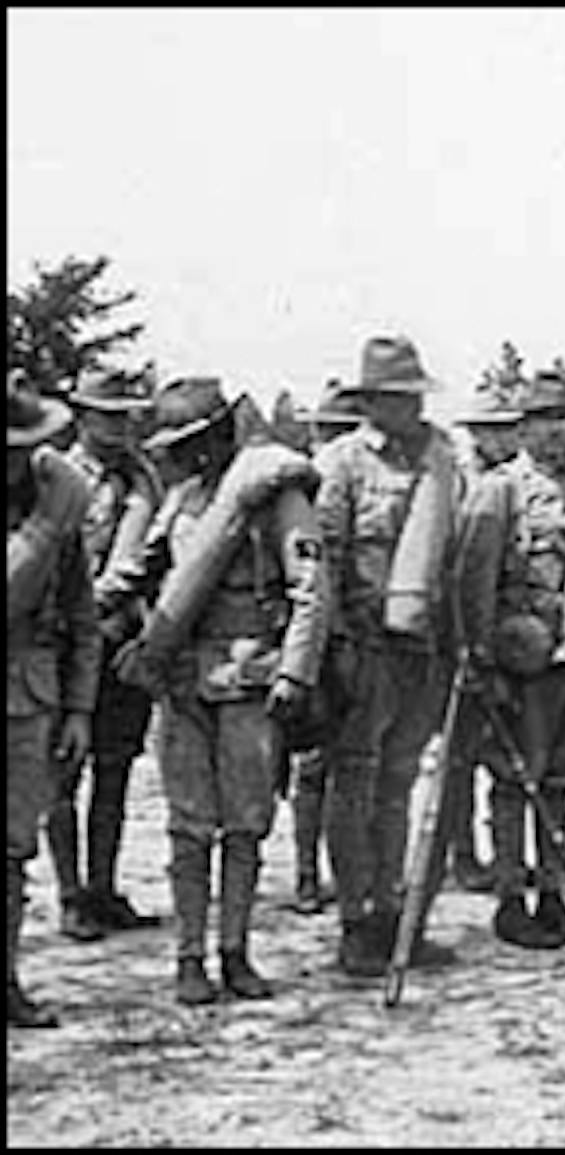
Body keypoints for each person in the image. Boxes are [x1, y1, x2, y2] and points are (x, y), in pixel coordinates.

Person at [115, 377, 326, 1004]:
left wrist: (295, 672)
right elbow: (143, 569)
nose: (184, 455)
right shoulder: (181, 500)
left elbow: (311, 587)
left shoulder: (276, 498)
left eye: (191, 441)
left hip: (249, 677)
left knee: (244, 824)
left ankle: (234, 950)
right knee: (187, 826)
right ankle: (188, 958)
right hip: (182, 680)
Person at [313, 335, 464, 976]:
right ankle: (353, 923)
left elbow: (456, 552)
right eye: (394, 398)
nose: (407, 409)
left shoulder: (441, 460)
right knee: (353, 785)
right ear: (370, 401)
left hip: (423, 650)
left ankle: (389, 913)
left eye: (411, 397)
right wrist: (339, 649)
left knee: (399, 784)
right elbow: (326, 562)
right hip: (364, 648)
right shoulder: (341, 463)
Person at [457, 367, 565, 948]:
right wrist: (481, 661)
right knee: (511, 779)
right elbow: (473, 579)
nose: (558, 432)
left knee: (559, 779)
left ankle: (553, 891)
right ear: (522, 429)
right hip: (520, 656)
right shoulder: (501, 489)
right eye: (545, 421)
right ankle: (509, 897)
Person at [48, 369, 164, 941]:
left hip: (118, 638)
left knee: (115, 768)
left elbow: (148, 556)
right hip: (65, 641)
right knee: (63, 770)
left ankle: (103, 887)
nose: (118, 426)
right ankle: (70, 895)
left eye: (125, 416)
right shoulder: (57, 476)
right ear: (82, 415)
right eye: (107, 415)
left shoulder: (143, 480)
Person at [7, 382, 98, 1028]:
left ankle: (6, 977)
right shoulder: (53, 512)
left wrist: (79, 710)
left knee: (12, 850)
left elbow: (83, 619)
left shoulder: (56, 507)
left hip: (28, 696)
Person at [436, 387, 527, 896]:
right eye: (491, 430)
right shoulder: (456, 480)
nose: (501, 439)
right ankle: (462, 854)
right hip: (459, 630)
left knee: (502, 749)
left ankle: (502, 856)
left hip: (504, 628)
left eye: (508, 429)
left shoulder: (515, 483)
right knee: (459, 752)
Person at [282, 383, 368, 915]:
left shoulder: (349, 480)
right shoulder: (298, 492)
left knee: (344, 764)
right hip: (316, 639)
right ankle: (310, 874)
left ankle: (334, 874)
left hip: (346, 634)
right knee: (315, 764)